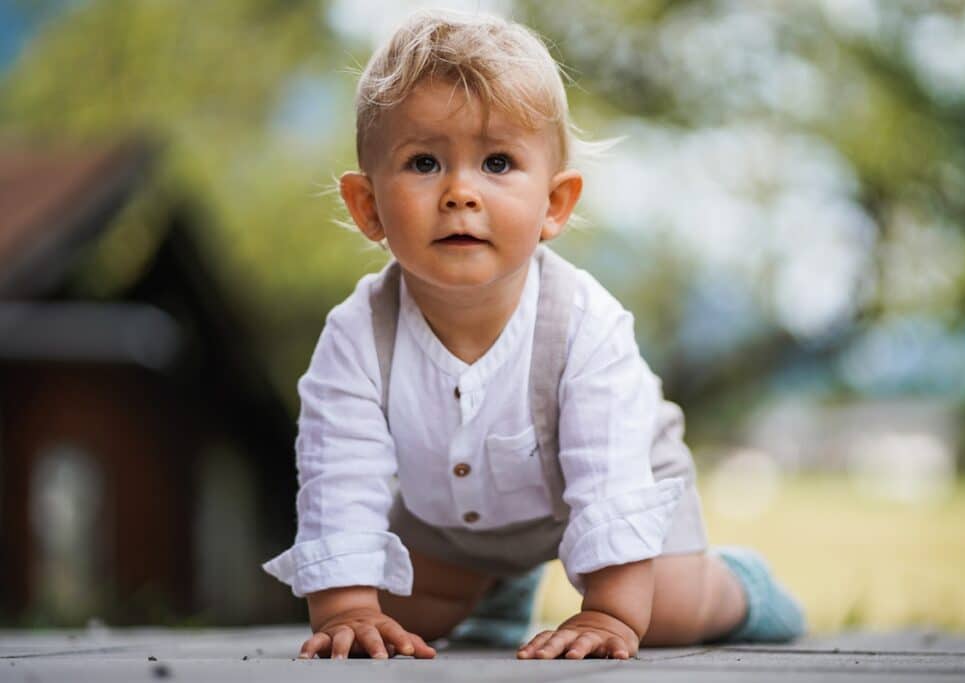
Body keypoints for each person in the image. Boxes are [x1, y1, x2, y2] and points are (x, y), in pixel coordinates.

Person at [262, 9, 805, 661]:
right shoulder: (357, 335)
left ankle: (740, 585)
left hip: (615, 483)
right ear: (368, 206)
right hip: (453, 523)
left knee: (664, 611)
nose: (461, 192)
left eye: (496, 162)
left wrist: (608, 612)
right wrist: (347, 607)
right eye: (425, 161)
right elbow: (339, 472)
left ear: (555, 204)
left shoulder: (584, 323)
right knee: (392, 610)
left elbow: (610, 476)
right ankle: (498, 589)